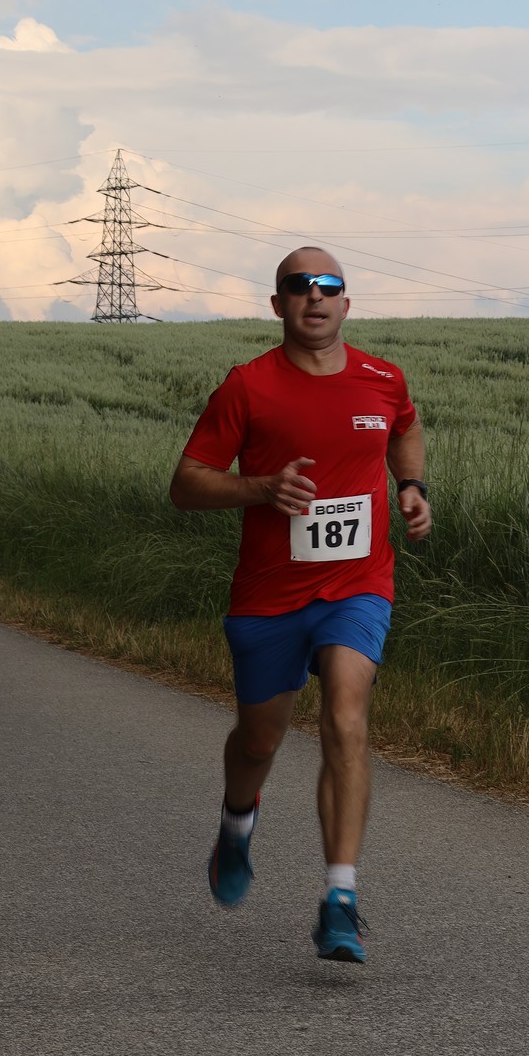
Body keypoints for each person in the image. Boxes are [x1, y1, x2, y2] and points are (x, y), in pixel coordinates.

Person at [169, 247, 431, 964]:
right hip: (269, 597)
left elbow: (406, 428)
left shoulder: (383, 379)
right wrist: (261, 488)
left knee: (346, 716)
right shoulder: (248, 387)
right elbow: (186, 484)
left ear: (347, 303)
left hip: (358, 586)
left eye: (329, 286)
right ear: (278, 304)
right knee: (259, 741)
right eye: (299, 286)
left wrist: (411, 487)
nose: (315, 297)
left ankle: (340, 898)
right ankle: (236, 822)